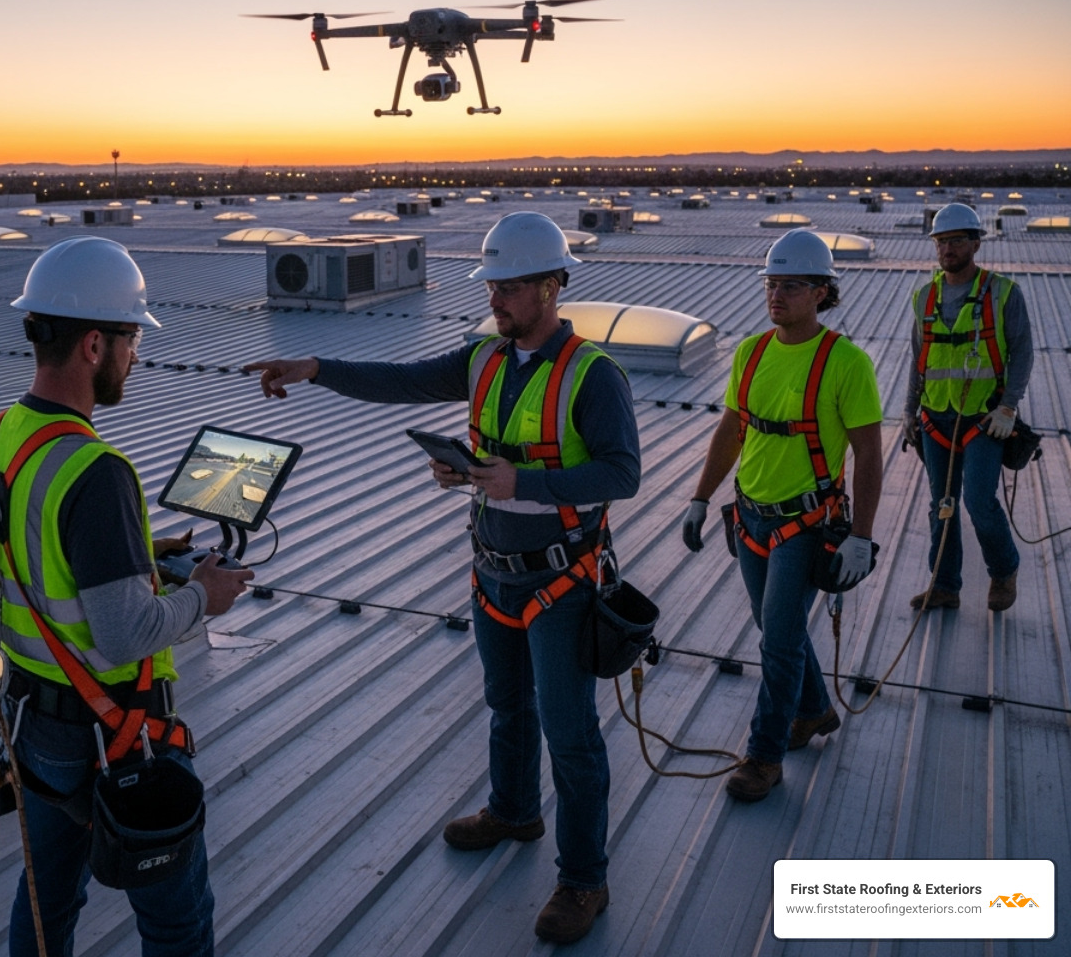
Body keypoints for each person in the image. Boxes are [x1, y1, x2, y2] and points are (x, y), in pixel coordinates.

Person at [244, 212, 640, 946]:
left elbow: (622, 472)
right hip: (493, 574)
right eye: (493, 285)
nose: (498, 299)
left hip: (560, 582)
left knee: (571, 733)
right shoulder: (485, 358)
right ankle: (514, 810)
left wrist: (517, 481)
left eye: (513, 287)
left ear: (554, 286)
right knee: (506, 706)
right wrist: (316, 370)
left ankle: (584, 878)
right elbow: (403, 382)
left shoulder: (593, 375)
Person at [0, 237, 251, 957]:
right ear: (94, 343)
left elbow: (34, 555)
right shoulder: (98, 470)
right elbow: (125, 636)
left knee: (46, 903)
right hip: (115, 737)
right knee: (177, 923)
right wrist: (205, 596)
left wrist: (140, 554)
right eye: (130, 337)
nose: (137, 354)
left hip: (33, 720)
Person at [680, 229, 882, 803]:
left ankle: (765, 756)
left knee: (778, 643)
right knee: (778, 630)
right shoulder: (751, 352)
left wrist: (862, 537)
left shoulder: (846, 363)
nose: (777, 295)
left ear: (822, 293)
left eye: (791, 286)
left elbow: (868, 452)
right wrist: (700, 496)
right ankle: (814, 710)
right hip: (749, 519)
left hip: (804, 524)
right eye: (772, 284)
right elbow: (731, 429)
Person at [904, 203, 1032, 612]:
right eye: (941, 242)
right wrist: (909, 412)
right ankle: (944, 585)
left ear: (976, 243)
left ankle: (1004, 569)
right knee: (942, 505)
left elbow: (1022, 354)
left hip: (983, 419)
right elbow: (917, 358)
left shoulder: (1003, 293)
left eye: (956, 241)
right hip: (935, 420)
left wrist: (1008, 407)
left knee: (978, 500)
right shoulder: (924, 297)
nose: (947, 249)